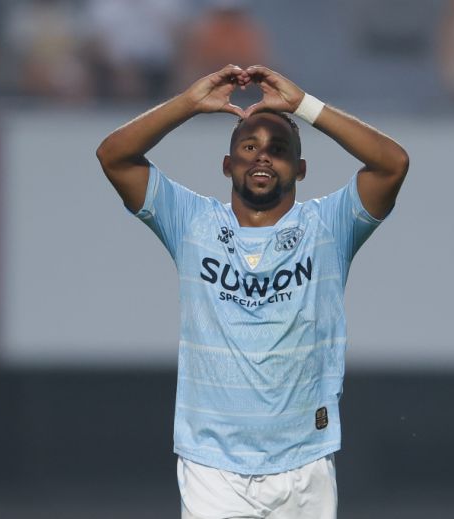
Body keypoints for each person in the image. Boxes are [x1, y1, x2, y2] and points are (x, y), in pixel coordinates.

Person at [96, 64, 409, 519]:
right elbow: (113, 156)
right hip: (212, 466)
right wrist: (188, 104)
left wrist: (304, 105)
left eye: (278, 150)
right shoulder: (193, 222)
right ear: (227, 165)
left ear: (300, 169)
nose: (263, 156)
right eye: (249, 146)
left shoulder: (327, 227)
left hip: (304, 461)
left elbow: (393, 163)